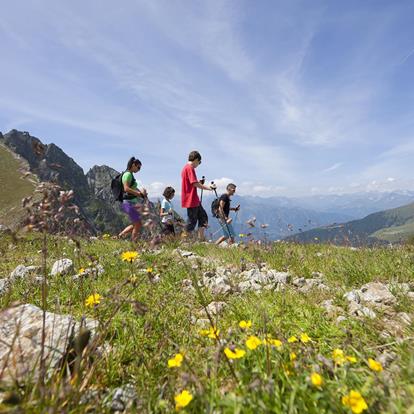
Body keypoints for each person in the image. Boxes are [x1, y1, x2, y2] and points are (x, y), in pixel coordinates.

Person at [181, 150, 215, 240]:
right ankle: (183, 240)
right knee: (192, 221)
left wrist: (199, 182)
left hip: (194, 199)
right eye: (199, 162)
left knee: (203, 217)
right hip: (191, 199)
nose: (198, 165)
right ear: (196, 159)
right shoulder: (190, 168)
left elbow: (192, 182)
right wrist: (208, 188)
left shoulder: (186, 168)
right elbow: (194, 184)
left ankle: (201, 239)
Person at [118, 157, 147, 241]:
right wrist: (139, 194)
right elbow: (126, 188)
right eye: (138, 167)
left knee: (136, 223)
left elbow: (130, 189)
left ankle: (120, 236)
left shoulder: (130, 174)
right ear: (133, 165)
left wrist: (141, 194)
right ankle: (134, 244)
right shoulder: (128, 174)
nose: (139, 169)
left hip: (130, 203)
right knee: (137, 224)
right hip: (128, 203)